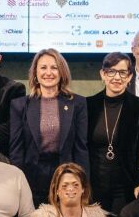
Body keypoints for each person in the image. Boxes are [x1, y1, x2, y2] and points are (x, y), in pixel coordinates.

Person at [10, 48, 89, 206]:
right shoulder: (20, 105)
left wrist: (83, 182)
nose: (48, 73)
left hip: (66, 176)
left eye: (54, 68)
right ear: (35, 73)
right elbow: (16, 150)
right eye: (43, 68)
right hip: (32, 176)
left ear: (62, 72)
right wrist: (16, 183)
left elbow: (81, 147)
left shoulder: (77, 103)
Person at [86, 52, 139, 217]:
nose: (117, 77)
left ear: (130, 76)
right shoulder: (88, 105)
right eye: (111, 71)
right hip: (93, 185)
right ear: (103, 74)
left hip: (126, 186)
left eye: (123, 72)